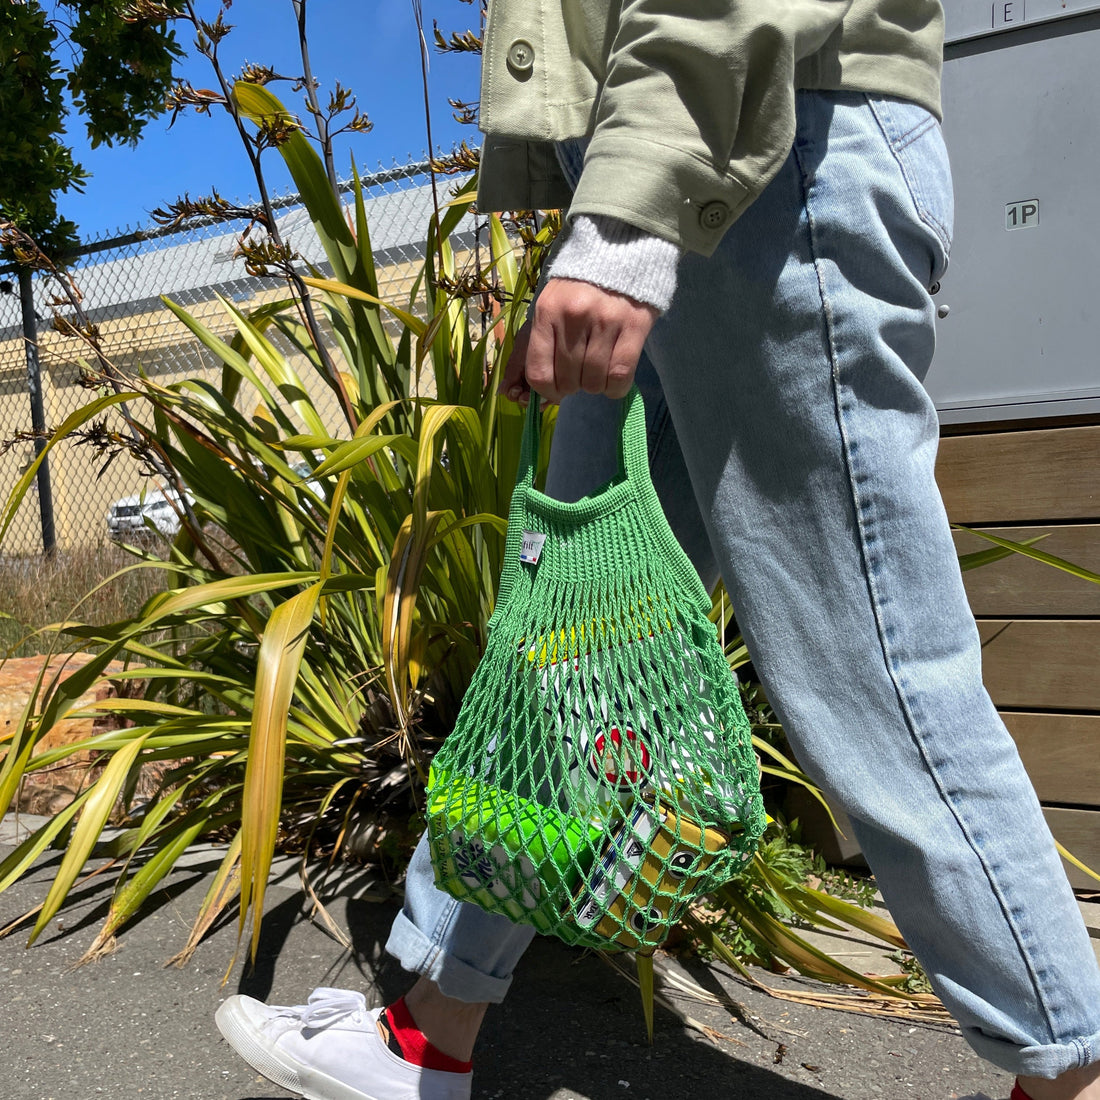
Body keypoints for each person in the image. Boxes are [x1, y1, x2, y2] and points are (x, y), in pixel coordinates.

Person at [215, 3, 1100, 1099]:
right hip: (687, 157)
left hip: (772, 143)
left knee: (868, 659)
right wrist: (605, 214)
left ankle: (1070, 1071)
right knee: (558, 643)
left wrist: (623, 220)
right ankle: (425, 1035)